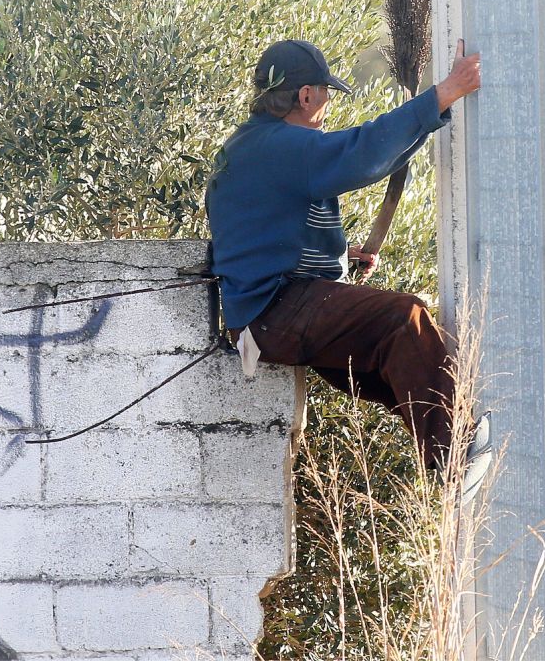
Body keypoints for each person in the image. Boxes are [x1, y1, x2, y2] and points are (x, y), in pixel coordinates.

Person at [206, 38, 491, 502]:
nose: (326, 106)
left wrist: (341, 260)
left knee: (403, 369)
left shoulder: (249, 146)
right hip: (278, 312)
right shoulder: (282, 145)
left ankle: (447, 459)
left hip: (268, 318)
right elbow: (360, 154)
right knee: (405, 321)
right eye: (325, 93)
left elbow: (264, 234)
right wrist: (442, 96)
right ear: (305, 96)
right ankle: (454, 464)